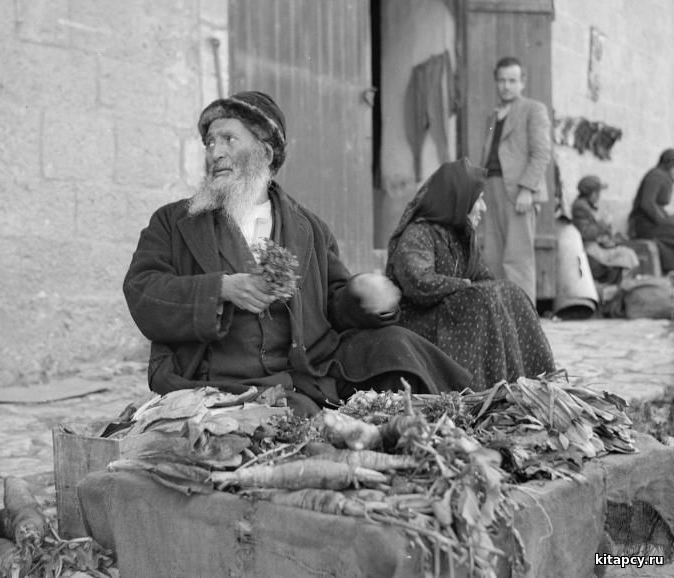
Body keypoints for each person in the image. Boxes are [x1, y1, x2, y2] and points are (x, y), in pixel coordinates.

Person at [123, 91, 472, 415]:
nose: (215, 153)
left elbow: (335, 305)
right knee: (292, 424)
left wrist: (364, 296)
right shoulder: (174, 222)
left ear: (265, 154)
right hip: (210, 381)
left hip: (296, 378)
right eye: (210, 142)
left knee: (397, 348)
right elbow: (141, 290)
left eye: (229, 139)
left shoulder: (310, 229)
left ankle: (468, 406)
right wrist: (222, 289)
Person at [385, 158, 556, 391]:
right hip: (421, 323)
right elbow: (420, 284)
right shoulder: (419, 233)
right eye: (479, 200)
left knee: (511, 293)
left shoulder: (462, 236)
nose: (483, 208)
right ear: (460, 201)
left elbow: (485, 278)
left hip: (454, 317)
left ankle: (532, 383)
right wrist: (465, 285)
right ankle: (483, 388)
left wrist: (485, 290)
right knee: (481, 300)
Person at [478, 56, 552, 304]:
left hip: (518, 192)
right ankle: (500, 315)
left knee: (518, 259)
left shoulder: (533, 109)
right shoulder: (493, 116)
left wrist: (527, 189)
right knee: (493, 257)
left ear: (523, 82)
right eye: (501, 81)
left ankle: (523, 317)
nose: (506, 86)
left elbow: (541, 153)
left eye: (512, 80)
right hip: (492, 189)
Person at [571, 175, 639, 285]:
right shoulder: (581, 207)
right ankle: (614, 287)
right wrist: (604, 224)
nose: (599, 196)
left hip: (597, 245)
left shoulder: (586, 205)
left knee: (627, 254)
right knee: (625, 255)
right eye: (597, 193)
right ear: (592, 193)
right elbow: (585, 232)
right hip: (590, 249)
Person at [628, 148, 674, 274]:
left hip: (654, 221)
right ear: (670, 164)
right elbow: (647, 204)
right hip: (644, 224)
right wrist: (664, 222)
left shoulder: (665, 177)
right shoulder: (656, 176)